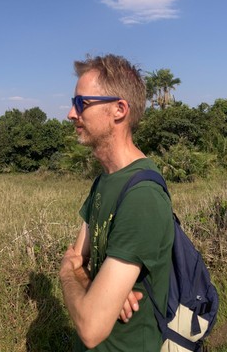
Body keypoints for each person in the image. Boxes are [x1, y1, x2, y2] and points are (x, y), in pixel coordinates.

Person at [58, 54, 176, 351]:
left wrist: (65, 274)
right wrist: (99, 289)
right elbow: (79, 258)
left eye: (82, 103)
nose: (72, 114)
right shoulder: (104, 181)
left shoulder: (142, 196)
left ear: (119, 110)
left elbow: (90, 326)